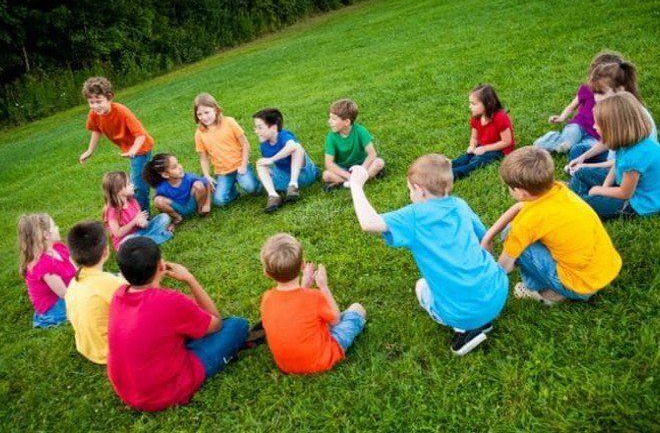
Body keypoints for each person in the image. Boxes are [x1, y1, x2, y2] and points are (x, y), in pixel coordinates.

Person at [349, 155, 508, 355]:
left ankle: (466, 330)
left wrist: (356, 185)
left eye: (409, 190)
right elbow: (485, 241)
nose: (410, 195)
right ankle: (482, 319)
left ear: (419, 189)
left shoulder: (414, 216)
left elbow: (368, 223)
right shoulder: (459, 204)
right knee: (463, 287)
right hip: (497, 291)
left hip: (463, 312)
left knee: (422, 286)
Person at [107, 237, 250, 411]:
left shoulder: (118, 295)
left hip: (128, 391)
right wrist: (190, 279)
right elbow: (216, 323)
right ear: (161, 265)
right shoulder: (170, 301)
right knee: (237, 325)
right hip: (164, 393)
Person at [481, 147, 621, 305]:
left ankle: (541, 291)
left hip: (580, 286)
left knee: (511, 237)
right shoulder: (559, 190)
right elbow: (520, 206)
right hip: (605, 270)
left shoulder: (527, 223)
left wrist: (481, 281)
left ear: (520, 192)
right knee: (514, 233)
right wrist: (488, 237)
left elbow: (502, 268)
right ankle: (560, 285)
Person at [260, 233, 366, 373]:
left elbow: (293, 308)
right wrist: (324, 287)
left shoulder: (267, 298)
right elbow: (336, 319)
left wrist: (304, 287)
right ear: (302, 264)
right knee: (357, 308)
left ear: (266, 273)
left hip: (286, 366)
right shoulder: (314, 297)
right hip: (321, 360)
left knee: (311, 321)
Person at [569, 92, 659, 219]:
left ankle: (579, 205)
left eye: (597, 124)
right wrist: (604, 188)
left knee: (584, 205)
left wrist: (598, 191)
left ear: (614, 129)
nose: (594, 127)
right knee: (580, 173)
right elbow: (616, 165)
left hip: (638, 201)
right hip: (628, 185)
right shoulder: (628, 143)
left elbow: (624, 193)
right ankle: (580, 201)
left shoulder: (634, 157)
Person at [78, 77, 154, 211]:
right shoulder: (94, 114)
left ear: (109, 97)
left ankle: (143, 217)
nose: (95, 106)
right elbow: (96, 130)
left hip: (141, 149)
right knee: (141, 180)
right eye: (91, 102)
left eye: (99, 101)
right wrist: (89, 150)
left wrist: (133, 150)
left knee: (137, 186)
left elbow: (141, 135)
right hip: (130, 150)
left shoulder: (121, 111)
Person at [534, 51, 624, 154]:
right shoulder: (586, 89)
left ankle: (578, 148)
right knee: (566, 144)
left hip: (597, 135)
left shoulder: (618, 99)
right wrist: (562, 117)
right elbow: (572, 106)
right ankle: (548, 140)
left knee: (586, 149)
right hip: (579, 125)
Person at [65, 221, 123, 364]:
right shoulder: (113, 283)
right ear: (105, 251)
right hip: (111, 352)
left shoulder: (73, 283)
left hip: (86, 347)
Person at [194, 93, 260, 206]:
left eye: (206, 112)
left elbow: (245, 144)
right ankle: (234, 192)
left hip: (240, 166)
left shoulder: (229, 122)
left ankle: (260, 182)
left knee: (252, 188)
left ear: (215, 109)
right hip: (222, 172)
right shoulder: (199, 133)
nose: (203, 117)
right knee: (219, 201)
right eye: (199, 114)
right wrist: (206, 175)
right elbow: (203, 157)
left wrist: (244, 165)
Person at [253, 108, 319, 213]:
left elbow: (292, 146)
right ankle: (273, 196)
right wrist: (266, 174)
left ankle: (293, 185)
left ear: (274, 128)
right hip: (284, 180)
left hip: (304, 175)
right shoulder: (264, 146)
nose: (256, 131)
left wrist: (272, 159)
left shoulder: (284, 135)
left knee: (296, 147)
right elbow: (271, 166)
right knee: (260, 163)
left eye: (260, 127)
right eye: (255, 128)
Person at [17, 214, 76, 328]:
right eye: (54, 226)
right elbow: (64, 293)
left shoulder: (59, 248)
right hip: (56, 305)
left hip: (70, 290)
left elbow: (77, 271)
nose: (58, 227)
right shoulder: (43, 264)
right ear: (46, 235)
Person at [451, 84, 515, 180]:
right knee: (465, 157)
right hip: (483, 146)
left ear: (488, 104)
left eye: (474, 104)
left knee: (478, 161)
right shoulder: (476, 117)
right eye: (470, 103)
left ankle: (453, 174)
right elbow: (474, 137)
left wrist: (485, 148)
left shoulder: (500, 118)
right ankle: (445, 167)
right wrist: (472, 146)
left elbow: (506, 142)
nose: (470, 106)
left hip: (500, 149)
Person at [322, 98, 385, 191]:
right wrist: (347, 175)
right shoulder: (331, 137)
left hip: (362, 165)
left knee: (379, 162)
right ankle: (359, 181)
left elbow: (372, 154)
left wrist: (361, 170)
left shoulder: (360, 131)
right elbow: (329, 163)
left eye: (334, 119)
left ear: (346, 122)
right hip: (344, 169)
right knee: (326, 175)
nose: (329, 121)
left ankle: (346, 184)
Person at [101, 171, 173, 251]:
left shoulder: (132, 200)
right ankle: (162, 235)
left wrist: (144, 223)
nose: (132, 185)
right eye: (128, 184)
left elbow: (142, 221)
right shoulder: (112, 210)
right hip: (125, 240)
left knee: (164, 217)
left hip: (140, 233)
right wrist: (134, 221)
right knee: (130, 240)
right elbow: (118, 233)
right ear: (117, 190)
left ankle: (148, 240)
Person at [143, 153, 211, 225]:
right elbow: (160, 205)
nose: (180, 167)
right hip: (179, 208)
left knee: (198, 185)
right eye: (174, 167)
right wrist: (169, 212)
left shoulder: (189, 177)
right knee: (158, 200)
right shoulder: (162, 187)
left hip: (192, 204)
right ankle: (178, 218)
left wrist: (207, 204)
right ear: (165, 175)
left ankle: (200, 210)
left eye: (178, 163)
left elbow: (207, 183)